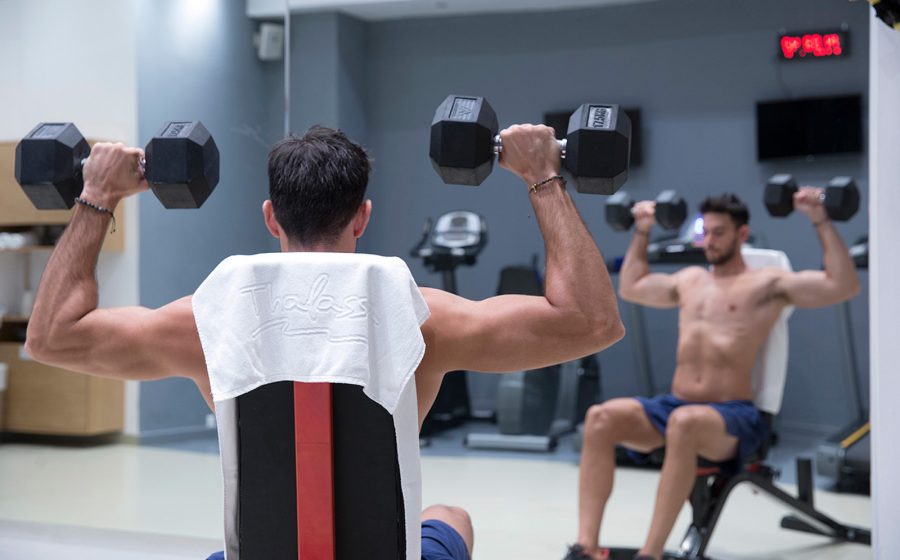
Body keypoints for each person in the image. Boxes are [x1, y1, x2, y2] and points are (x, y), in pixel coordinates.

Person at [25, 124, 625, 560]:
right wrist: (543, 176)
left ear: (270, 217)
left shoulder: (205, 321)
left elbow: (52, 337)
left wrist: (96, 196)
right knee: (450, 518)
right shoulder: (421, 320)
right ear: (361, 217)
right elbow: (591, 322)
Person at [564, 192, 860, 560]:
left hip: (736, 417)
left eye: (720, 233)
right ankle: (585, 547)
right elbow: (632, 287)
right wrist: (642, 229)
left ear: (742, 234)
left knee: (685, 423)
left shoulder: (767, 284)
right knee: (599, 418)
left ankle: (650, 554)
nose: (710, 241)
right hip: (676, 408)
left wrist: (819, 218)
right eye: (707, 232)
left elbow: (841, 286)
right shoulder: (689, 280)